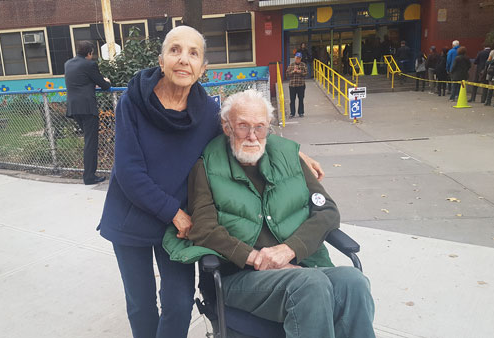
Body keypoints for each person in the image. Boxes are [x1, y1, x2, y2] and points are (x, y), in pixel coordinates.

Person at [97, 26, 324, 338]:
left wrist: (298, 156)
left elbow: (246, 134)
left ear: (202, 68)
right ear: (161, 60)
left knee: (178, 304)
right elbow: (129, 172)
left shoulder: (207, 113)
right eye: (175, 50)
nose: (183, 59)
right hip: (136, 217)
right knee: (141, 304)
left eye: (193, 53)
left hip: (177, 226)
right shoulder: (132, 103)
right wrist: (174, 213)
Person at [163, 89, 375, 338]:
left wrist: (289, 250)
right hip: (240, 277)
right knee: (310, 285)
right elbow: (204, 228)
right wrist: (257, 259)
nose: (252, 136)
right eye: (242, 126)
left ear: (268, 127)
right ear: (227, 126)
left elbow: (326, 210)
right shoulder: (207, 165)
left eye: (260, 127)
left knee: (353, 282)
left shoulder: (289, 158)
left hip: (300, 265)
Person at [64, 41, 112, 185]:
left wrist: (91, 83)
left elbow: (80, 81)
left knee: (87, 140)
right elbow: (104, 85)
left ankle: (89, 174)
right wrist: (106, 81)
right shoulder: (89, 64)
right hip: (87, 108)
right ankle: (89, 176)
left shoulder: (68, 64)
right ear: (89, 53)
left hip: (74, 108)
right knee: (90, 143)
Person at [286, 52, 307, 118]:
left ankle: (301, 112)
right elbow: (287, 74)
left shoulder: (303, 65)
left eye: (299, 58)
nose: (298, 59)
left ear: (301, 59)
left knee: (301, 99)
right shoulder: (291, 65)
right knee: (292, 100)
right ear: (295, 58)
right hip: (292, 85)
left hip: (301, 85)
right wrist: (293, 71)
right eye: (297, 58)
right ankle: (292, 113)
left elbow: (306, 74)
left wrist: (300, 72)